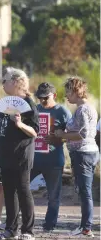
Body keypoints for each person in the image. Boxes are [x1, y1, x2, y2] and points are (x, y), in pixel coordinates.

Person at [0, 67, 38, 240]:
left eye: (5, 80)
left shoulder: (29, 105)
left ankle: (28, 231)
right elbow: (0, 130)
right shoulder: (5, 104)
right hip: (6, 155)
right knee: (9, 191)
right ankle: (11, 230)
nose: (2, 83)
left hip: (22, 155)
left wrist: (20, 125)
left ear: (16, 82)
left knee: (23, 190)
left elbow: (35, 131)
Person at [54, 77, 99, 237]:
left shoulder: (83, 109)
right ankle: (84, 226)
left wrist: (63, 134)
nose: (66, 96)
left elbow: (84, 133)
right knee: (84, 190)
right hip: (87, 153)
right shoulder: (86, 108)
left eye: (68, 92)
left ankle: (86, 228)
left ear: (76, 91)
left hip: (83, 154)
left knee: (85, 191)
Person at [32, 82, 72, 232]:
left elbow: (72, 136)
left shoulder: (63, 112)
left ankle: (49, 225)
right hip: (34, 159)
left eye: (45, 98)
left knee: (54, 195)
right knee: (20, 188)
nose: (42, 101)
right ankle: (21, 220)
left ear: (54, 95)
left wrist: (58, 139)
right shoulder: (35, 110)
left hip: (54, 160)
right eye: (39, 98)